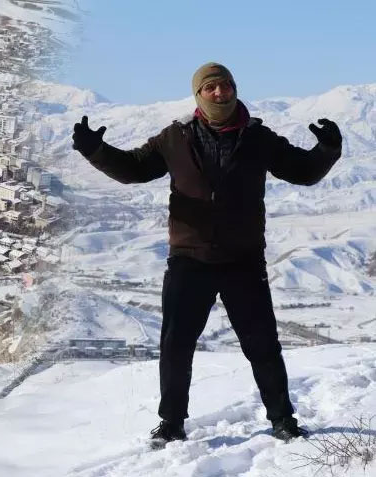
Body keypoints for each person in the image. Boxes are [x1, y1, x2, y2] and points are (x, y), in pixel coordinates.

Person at [71, 63, 342, 446]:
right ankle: (171, 423)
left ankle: (283, 419)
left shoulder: (259, 138)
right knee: (176, 346)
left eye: (226, 85)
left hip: (243, 261)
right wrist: (95, 150)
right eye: (211, 87)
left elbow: (302, 171)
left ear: (235, 89)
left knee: (262, 345)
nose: (220, 93)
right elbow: (134, 169)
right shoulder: (175, 137)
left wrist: (328, 149)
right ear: (198, 94)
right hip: (189, 259)